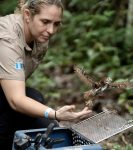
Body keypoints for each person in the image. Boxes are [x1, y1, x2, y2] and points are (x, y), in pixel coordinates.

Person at [0, 0, 92, 149]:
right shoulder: (7, 40)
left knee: (37, 104)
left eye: (56, 24)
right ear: (27, 15)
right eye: (45, 22)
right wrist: (55, 114)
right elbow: (15, 100)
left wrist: (51, 116)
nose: (51, 30)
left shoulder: (39, 36)